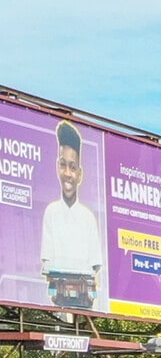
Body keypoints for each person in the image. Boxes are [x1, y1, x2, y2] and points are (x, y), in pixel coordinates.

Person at [40, 122, 103, 312]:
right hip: (56, 301)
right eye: (63, 165)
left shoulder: (87, 217)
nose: (67, 173)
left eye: (73, 167)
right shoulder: (51, 212)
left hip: (85, 300)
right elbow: (46, 263)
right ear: (57, 167)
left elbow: (95, 266)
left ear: (80, 174)